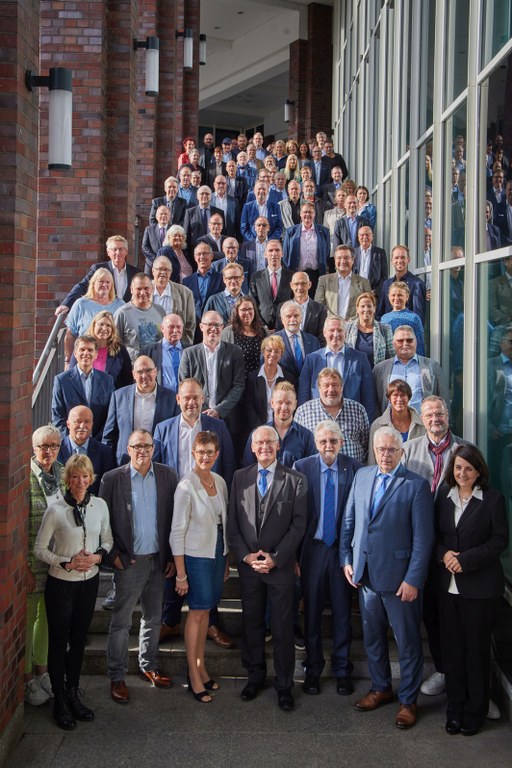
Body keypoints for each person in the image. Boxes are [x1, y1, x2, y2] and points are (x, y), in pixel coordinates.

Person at [341, 426, 434, 730]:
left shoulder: (416, 486)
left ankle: (408, 700)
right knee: (372, 638)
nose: (385, 454)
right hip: (365, 575)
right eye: (380, 449)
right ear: (374, 450)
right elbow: (350, 521)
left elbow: (423, 540)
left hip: (399, 581)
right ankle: (381, 687)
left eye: (391, 449)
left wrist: (413, 580)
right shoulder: (363, 476)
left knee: (407, 643)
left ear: (401, 452)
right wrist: (347, 559)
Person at [228, 425, 308, 711]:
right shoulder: (240, 478)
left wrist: (276, 557)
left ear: (278, 446)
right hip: (250, 568)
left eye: (269, 442)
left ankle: (284, 685)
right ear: (252, 447)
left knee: (284, 628)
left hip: (280, 568)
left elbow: (299, 524)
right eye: (259, 442)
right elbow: (233, 525)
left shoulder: (296, 479)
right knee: (252, 624)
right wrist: (246, 557)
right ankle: (255, 676)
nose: (264, 447)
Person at [153, 378, 235, 648]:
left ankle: (211, 623)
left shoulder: (217, 427)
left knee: (207, 571)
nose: (191, 402)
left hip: (206, 510)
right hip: (173, 507)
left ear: (203, 400)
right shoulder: (163, 429)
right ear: (178, 399)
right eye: (186, 397)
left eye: (196, 398)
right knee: (172, 566)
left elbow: (229, 467)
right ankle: (170, 620)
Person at [434, 445, 508, 736]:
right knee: (452, 653)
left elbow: (500, 540)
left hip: (480, 589)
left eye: (468, 468)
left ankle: (476, 710)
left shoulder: (492, 500)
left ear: (479, 472)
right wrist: (444, 555)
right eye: (458, 467)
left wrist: (465, 560)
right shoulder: (443, 496)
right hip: (447, 588)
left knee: (476, 653)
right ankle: (454, 709)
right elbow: (435, 536)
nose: (462, 473)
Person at [34, 454, 113, 729]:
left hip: (88, 582)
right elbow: (40, 550)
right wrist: (65, 562)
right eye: (75, 476)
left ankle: (72, 692)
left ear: (91, 478)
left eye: (85, 476)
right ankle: (59, 700)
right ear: (67, 480)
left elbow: (108, 539)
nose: (80, 481)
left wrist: (97, 557)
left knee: (79, 639)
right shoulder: (55, 510)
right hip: (61, 584)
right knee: (58, 641)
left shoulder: (100, 505)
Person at [100, 429, 178, 704]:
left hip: (157, 561)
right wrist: (114, 557)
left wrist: (170, 557)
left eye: (147, 445)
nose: (142, 450)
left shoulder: (168, 475)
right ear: (128, 449)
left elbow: (172, 519)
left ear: (153, 448)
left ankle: (149, 666)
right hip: (129, 563)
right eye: (136, 446)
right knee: (121, 622)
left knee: (153, 618)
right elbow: (103, 522)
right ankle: (117, 675)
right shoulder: (112, 479)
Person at [402, 396, 466, 697]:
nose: (435, 419)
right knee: (428, 611)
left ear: (448, 415)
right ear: (421, 418)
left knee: (451, 613)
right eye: (428, 415)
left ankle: (462, 677)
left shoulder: (465, 451)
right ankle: (441, 668)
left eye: (439, 413)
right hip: (417, 542)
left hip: (452, 545)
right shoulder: (409, 450)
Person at [294, 421, 361, 696]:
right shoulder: (302, 467)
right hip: (313, 550)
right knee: (311, 613)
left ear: (342, 443)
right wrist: (295, 557)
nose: (328, 446)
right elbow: (296, 516)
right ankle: (313, 669)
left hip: (341, 552)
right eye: (323, 441)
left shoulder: (354, 468)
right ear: (316, 443)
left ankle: (343, 669)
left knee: (343, 612)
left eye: (334, 441)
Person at [170, 432, 229, 702]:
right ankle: (193, 675)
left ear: (217, 455)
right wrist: (181, 574)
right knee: (197, 612)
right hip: (195, 556)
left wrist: (226, 559)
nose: (205, 457)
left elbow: (224, 523)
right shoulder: (185, 486)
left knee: (206, 611)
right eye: (200, 452)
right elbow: (176, 533)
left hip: (216, 553)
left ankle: (201, 667)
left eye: (210, 452)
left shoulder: (220, 481)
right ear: (193, 453)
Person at [25, 426, 65, 707]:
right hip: (31, 562)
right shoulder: (25, 477)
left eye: (53, 445)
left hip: (56, 562)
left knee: (47, 619)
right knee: (28, 622)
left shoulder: (62, 474)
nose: (48, 451)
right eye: (43, 446)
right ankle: (27, 678)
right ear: (33, 448)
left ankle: (42, 672)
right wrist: (23, 566)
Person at [178, 310, 246, 439]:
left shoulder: (235, 352)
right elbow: (184, 386)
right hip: (197, 417)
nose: (213, 329)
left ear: (222, 328)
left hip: (227, 418)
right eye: (209, 324)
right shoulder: (189, 354)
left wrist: (219, 410)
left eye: (217, 325)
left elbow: (238, 386)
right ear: (201, 326)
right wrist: (203, 411)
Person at [298, 315, 377, 423]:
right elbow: (303, 396)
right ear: (324, 333)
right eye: (331, 330)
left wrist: (368, 425)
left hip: (351, 421)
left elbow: (369, 398)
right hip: (318, 422)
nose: (336, 334)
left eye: (339, 330)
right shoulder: (312, 360)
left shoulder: (360, 359)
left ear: (345, 333)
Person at [102, 355, 179, 466]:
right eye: (140, 372)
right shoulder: (119, 396)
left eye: (149, 371)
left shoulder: (171, 398)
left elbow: (174, 436)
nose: (144, 375)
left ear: (156, 371)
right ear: (133, 374)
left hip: (159, 464)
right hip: (125, 464)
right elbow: (109, 436)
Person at [295, 367, 370, 463]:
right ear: (318, 388)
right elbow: (297, 447)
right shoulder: (303, 412)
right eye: (326, 385)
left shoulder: (358, 410)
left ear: (342, 387)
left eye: (335, 385)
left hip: (352, 473)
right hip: (315, 473)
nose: (331, 390)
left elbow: (366, 446)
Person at [373, 326, 449, 414]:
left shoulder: (432, 366)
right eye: (400, 341)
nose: (405, 344)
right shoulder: (380, 369)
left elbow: (444, 398)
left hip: (422, 424)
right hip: (391, 424)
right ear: (393, 344)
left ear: (416, 342)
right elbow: (375, 402)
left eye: (409, 340)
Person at [55, 235, 138, 315]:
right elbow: (82, 286)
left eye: (121, 249)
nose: (118, 252)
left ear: (126, 251)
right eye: (114, 249)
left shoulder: (135, 273)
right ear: (108, 252)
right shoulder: (98, 269)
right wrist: (67, 304)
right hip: (104, 319)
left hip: (126, 318)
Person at [52, 335, 115, 440]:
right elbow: (58, 417)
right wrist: (69, 441)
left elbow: (110, 415)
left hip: (98, 443)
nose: (86, 353)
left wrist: (99, 442)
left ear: (96, 354)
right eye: (82, 349)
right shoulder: (62, 380)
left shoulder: (107, 381)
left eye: (90, 350)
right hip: (71, 444)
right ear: (75, 354)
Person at [63, 268, 124, 361]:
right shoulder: (81, 304)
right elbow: (70, 334)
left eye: (108, 282)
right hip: (85, 358)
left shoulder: (120, 305)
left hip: (112, 358)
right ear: (93, 283)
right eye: (101, 281)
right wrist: (68, 360)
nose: (104, 285)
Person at [68, 310, 132, 389]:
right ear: (94, 325)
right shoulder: (82, 347)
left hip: (111, 398)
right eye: (101, 324)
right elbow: (71, 375)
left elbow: (127, 380)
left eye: (108, 325)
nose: (104, 328)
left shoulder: (120, 350)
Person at [58, 406, 114, 494]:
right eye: (78, 421)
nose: (82, 426)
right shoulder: (57, 450)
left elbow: (107, 486)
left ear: (92, 424)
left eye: (87, 422)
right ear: (68, 424)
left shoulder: (104, 452)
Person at [244, 335, 296, 430]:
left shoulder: (288, 378)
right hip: (258, 429)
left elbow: (291, 405)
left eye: (277, 351)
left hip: (282, 428)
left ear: (281, 355)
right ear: (263, 352)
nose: (272, 354)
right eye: (269, 350)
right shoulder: (252, 378)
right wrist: (261, 428)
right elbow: (249, 406)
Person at [367, 380, 425, 464]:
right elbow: (372, 459)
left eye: (403, 395)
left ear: (409, 398)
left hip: (416, 473)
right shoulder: (377, 425)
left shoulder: (422, 424)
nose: (399, 399)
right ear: (389, 398)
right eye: (395, 395)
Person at [113, 273, 165, 363]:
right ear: (131, 289)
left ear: (152, 289)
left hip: (157, 365)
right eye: (139, 289)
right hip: (133, 368)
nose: (142, 292)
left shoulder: (160, 310)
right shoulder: (122, 313)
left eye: (146, 288)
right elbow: (115, 345)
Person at [282, 201, 330, 293]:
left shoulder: (324, 231)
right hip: (297, 275)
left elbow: (326, 253)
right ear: (300, 214)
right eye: (305, 212)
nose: (307, 214)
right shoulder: (291, 232)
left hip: (317, 275)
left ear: (314, 214)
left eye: (310, 212)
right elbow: (285, 255)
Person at [315, 245, 372, 321]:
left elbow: (368, 306)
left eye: (346, 258)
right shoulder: (324, 280)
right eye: (339, 258)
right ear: (335, 260)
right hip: (331, 326)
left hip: (354, 326)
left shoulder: (364, 282)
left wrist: (351, 322)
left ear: (352, 260)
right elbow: (319, 305)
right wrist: (334, 321)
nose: (343, 261)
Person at [249, 240, 294, 331]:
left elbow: (295, 302)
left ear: (282, 253)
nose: (274, 254)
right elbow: (252, 303)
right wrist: (263, 327)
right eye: (270, 250)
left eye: (277, 250)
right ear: (265, 254)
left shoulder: (292, 276)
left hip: (285, 328)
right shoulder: (256, 277)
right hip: (262, 328)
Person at [377, 245, 426, 324]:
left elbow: (418, 318)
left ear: (408, 260)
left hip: (406, 334)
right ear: (392, 261)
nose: (399, 261)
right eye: (396, 258)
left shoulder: (417, 284)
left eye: (403, 257)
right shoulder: (386, 284)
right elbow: (380, 313)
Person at [220, 296, 267, 381]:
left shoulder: (264, 332)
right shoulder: (228, 332)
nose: (247, 312)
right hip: (237, 383)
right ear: (237, 312)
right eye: (243, 310)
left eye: (250, 309)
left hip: (259, 383)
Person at [150, 259, 196, 344]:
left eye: (166, 270)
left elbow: (191, 324)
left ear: (170, 273)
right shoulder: (144, 290)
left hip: (175, 346)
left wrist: (184, 346)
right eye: (160, 269)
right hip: (149, 345)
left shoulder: (185, 293)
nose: (163, 272)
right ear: (153, 271)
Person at [344, 292, 394, 369]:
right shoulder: (347, 328)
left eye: (369, 306)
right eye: (362, 306)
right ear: (357, 309)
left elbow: (392, 357)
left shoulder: (385, 329)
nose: (366, 309)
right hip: (354, 374)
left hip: (377, 375)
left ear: (374, 308)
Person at [275, 271, 328, 342]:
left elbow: (322, 337)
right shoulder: (282, 307)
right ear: (291, 285)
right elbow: (279, 335)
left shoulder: (320, 309)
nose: (300, 287)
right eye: (296, 284)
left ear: (309, 284)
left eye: (303, 283)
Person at [274, 301, 320, 380]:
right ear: (282, 319)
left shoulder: (313, 341)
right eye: (288, 316)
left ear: (301, 318)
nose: (293, 319)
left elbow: (318, 369)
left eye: (296, 316)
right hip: (283, 389)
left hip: (308, 389)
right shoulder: (273, 341)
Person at [142, 313, 188, 389]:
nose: (175, 330)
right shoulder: (148, 352)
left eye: (178, 327)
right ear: (162, 328)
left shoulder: (190, 350)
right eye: (171, 327)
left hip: (185, 398)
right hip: (161, 398)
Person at [380, 282, 425, 356]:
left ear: (407, 297)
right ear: (388, 296)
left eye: (400, 295)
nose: (396, 298)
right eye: (393, 295)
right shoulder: (384, 318)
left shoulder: (414, 318)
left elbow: (419, 345)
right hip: (389, 362)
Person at [353, 226, 388, 299]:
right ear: (358, 237)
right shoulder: (352, 253)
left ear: (372, 236)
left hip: (374, 296)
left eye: (367, 235)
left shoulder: (380, 253)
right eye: (362, 235)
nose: (365, 237)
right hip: (356, 295)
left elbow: (384, 277)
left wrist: (375, 291)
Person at [142, 205, 171, 274]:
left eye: (166, 214)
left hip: (169, 265)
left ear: (169, 216)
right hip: (151, 265)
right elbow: (144, 247)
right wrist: (156, 258)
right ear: (156, 216)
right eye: (161, 214)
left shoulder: (173, 229)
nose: (163, 216)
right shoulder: (149, 230)